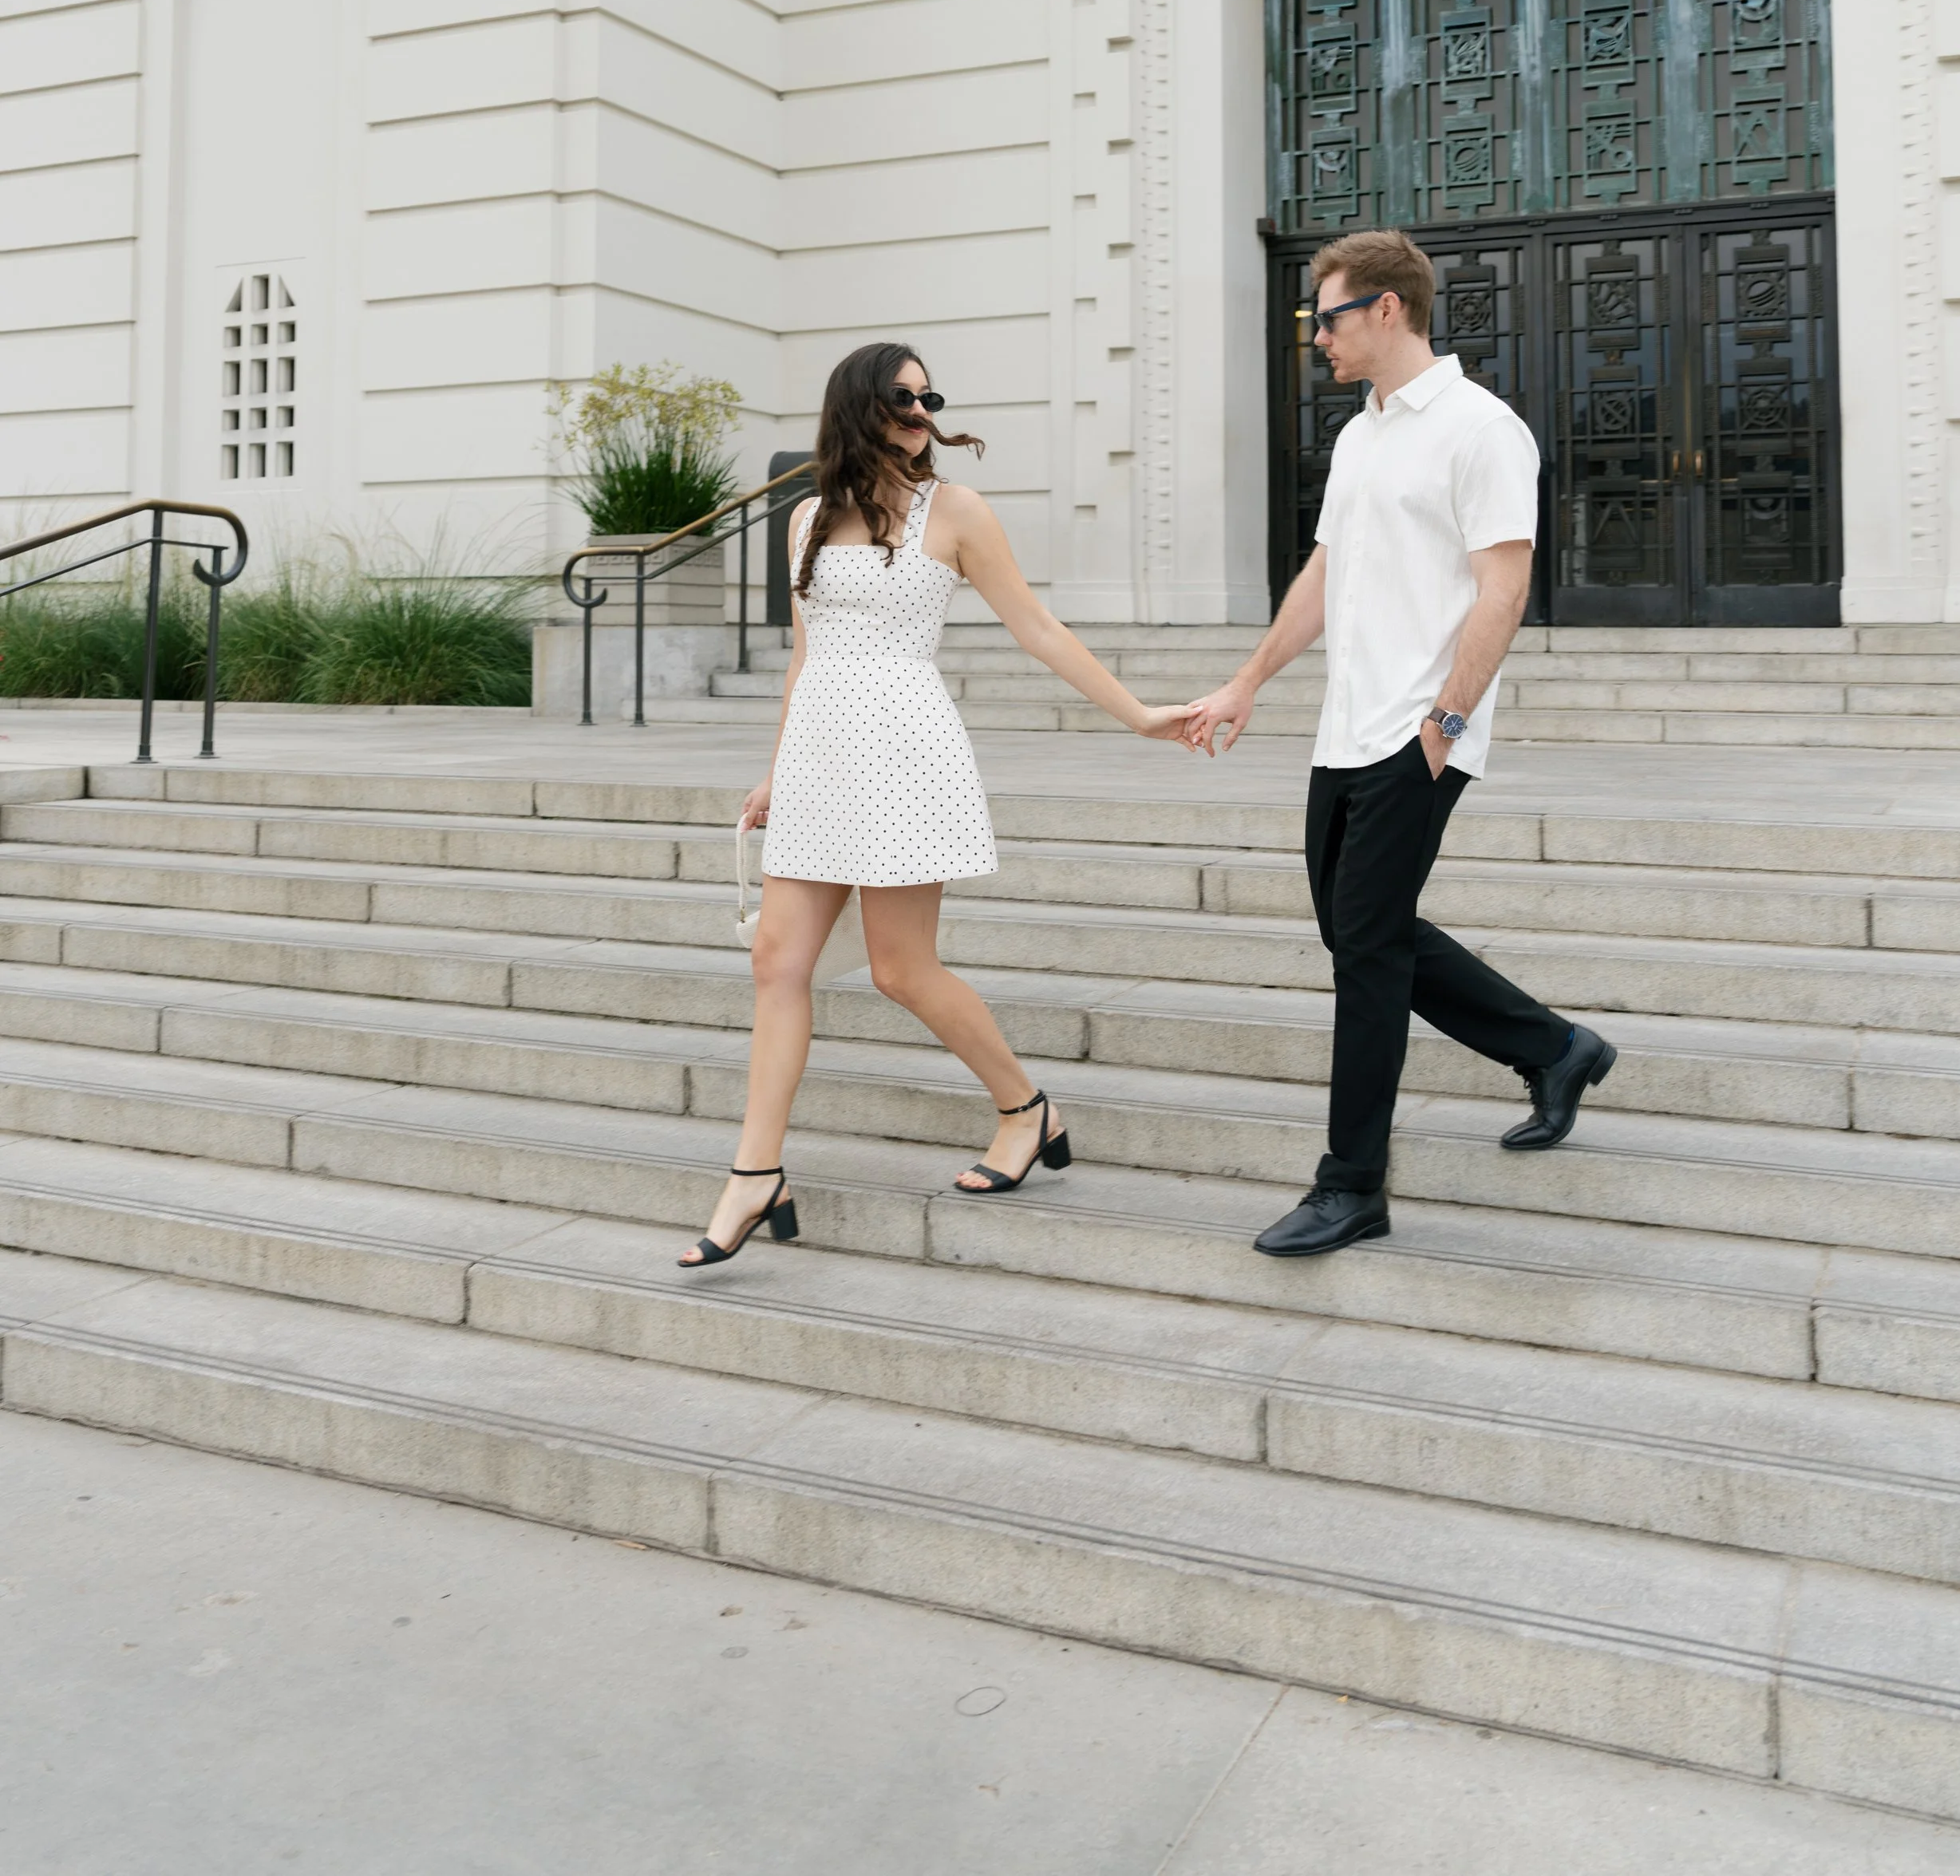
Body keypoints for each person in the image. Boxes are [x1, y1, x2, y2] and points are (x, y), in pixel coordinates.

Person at [681, 339, 1192, 1266]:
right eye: (901, 400)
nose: (921, 416)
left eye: (929, 400)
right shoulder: (803, 523)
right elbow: (806, 658)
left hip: (906, 752)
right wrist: (776, 770)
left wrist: (1140, 715)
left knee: (900, 971)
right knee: (774, 959)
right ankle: (756, 1175)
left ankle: (1025, 1110)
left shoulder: (954, 513)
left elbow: (1036, 627)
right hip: (822, 760)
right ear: (858, 411)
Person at [1184, 229, 1614, 1257]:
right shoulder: (1359, 436)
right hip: (1345, 730)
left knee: (1367, 954)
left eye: (1325, 317)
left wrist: (1446, 724)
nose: (1316, 338)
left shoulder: (1479, 429)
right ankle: (1557, 1048)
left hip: (1419, 732)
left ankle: (1353, 1185)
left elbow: (1504, 588)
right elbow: (1324, 576)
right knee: (1357, 931)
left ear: (1387, 309)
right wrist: (1248, 682)